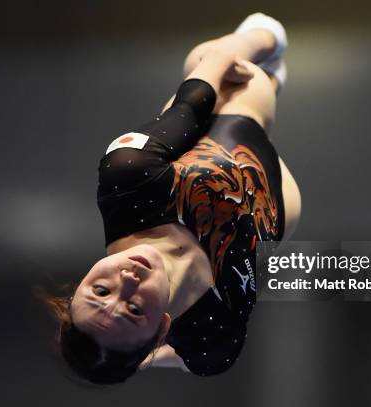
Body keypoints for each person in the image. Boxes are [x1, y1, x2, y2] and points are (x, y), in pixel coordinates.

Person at [42, 12, 301, 384]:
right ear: (162, 329)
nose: (127, 280)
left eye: (100, 290)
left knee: (214, 58)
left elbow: (194, 98)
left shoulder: (128, 181)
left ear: (79, 286)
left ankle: (268, 66)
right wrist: (145, 359)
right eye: (133, 309)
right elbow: (192, 360)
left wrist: (246, 44)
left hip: (222, 128)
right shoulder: (209, 337)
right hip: (276, 207)